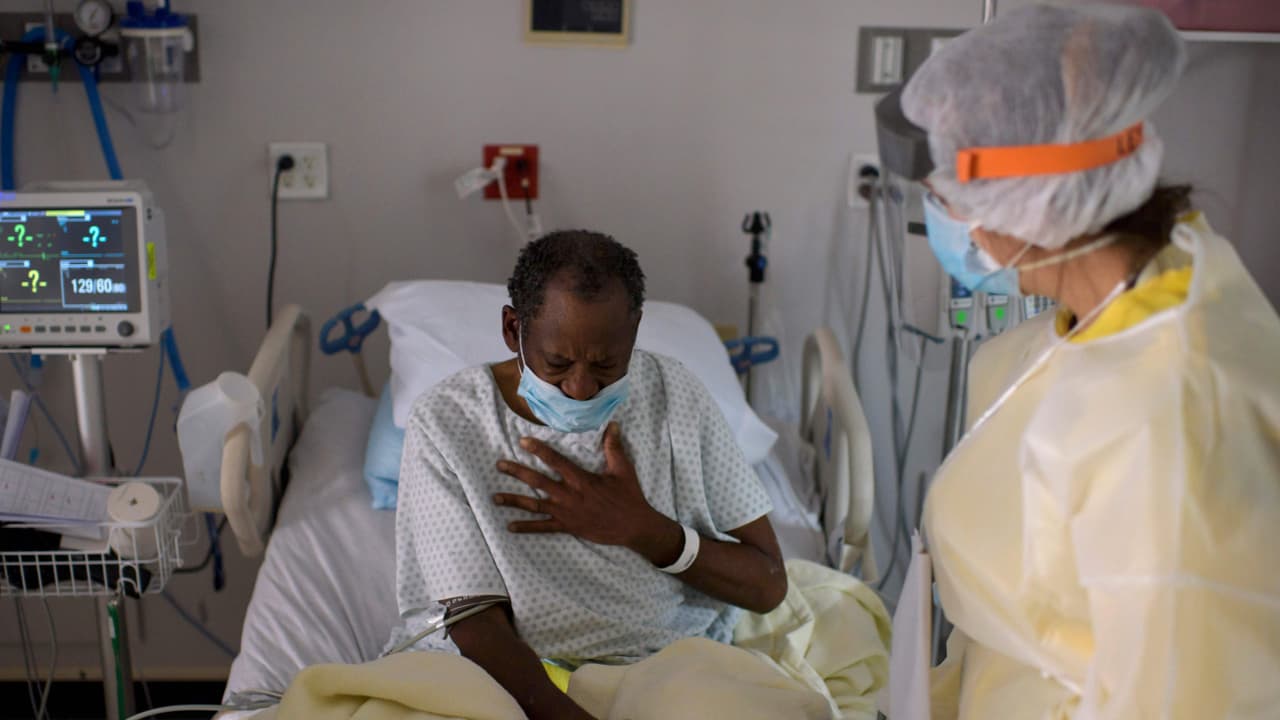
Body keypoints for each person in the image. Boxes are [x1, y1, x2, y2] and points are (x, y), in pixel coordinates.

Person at [899, 3, 1280, 718]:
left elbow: (1187, 695)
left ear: (1022, 198)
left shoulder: (1171, 418)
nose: (940, 213)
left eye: (947, 188)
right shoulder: (1116, 307)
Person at [389, 230, 787, 720]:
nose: (580, 388)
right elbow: (473, 617)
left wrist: (647, 532)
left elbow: (768, 586)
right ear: (513, 329)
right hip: (512, 675)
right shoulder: (448, 422)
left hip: (665, 665)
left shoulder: (675, 396)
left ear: (634, 332)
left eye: (605, 365)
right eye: (557, 363)